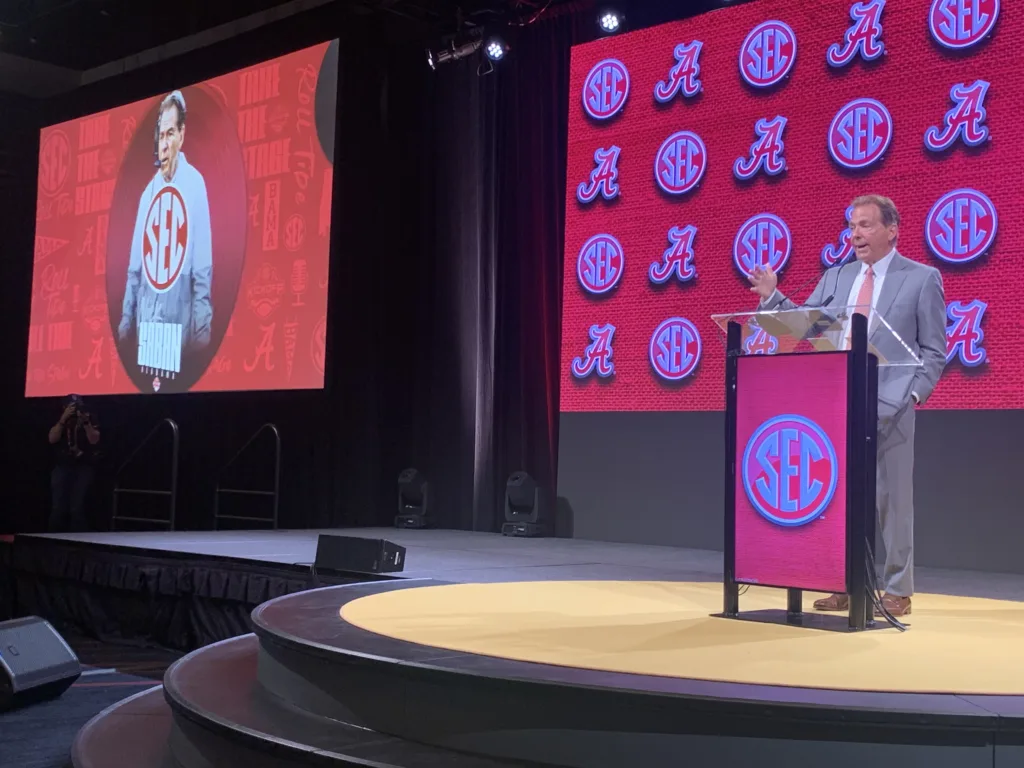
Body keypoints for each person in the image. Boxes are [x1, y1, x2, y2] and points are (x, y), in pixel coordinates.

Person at [747, 195, 946, 617]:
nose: (856, 234)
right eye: (853, 226)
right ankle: (844, 581)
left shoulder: (921, 278)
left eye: (866, 225)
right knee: (840, 496)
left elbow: (934, 350)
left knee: (892, 499)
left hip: (891, 403)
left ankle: (897, 588)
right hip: (836, 401)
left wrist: (913, 394)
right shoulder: (838, 277)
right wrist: (772, 296)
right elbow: (806, 323)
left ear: (892, 230)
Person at [118, 89, 213, 369]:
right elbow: (134, 271)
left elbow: (202, 274)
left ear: (182, 135)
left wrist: (200, 338)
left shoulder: (195, 185)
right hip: (147, 329)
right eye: (161, 135)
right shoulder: (148, 194)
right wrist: (125, 325)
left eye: (170, 133)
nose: (165, 143)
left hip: (179, 332)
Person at [48, 395, 101, 532]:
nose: (74, 410)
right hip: (62, 465)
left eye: (76, 406)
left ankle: (79, 541)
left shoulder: (89, 417)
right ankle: (53, 539)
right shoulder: (60, 419)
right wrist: (62, 420)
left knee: (77, 507)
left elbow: (94, 440)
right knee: (58, 507)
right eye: (71, 407)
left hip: (83, 466)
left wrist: (86, 422)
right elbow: (52, 439)